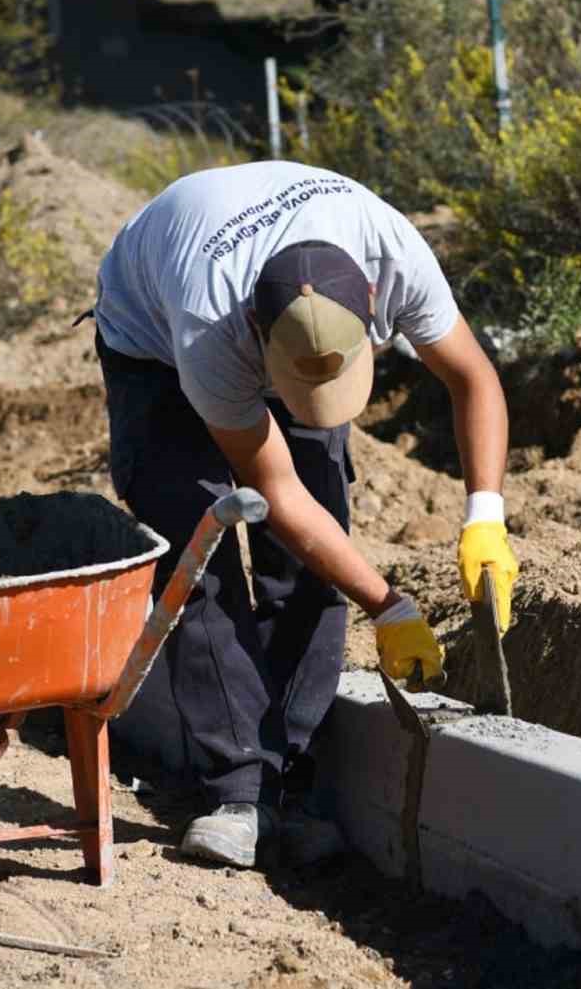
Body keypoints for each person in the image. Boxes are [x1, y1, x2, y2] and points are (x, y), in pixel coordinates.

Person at [91, 160, 518, 868]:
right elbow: (274, 495)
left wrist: (486, 518)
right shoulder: (209, 324)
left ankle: (287, 781)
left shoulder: (391, 248)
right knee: (203, 550)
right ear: (258, 329)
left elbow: (473, 376)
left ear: (374, 301)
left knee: (321, 554)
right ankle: (236, 793)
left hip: (273, 309)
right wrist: (388, 604)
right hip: (152, 347)